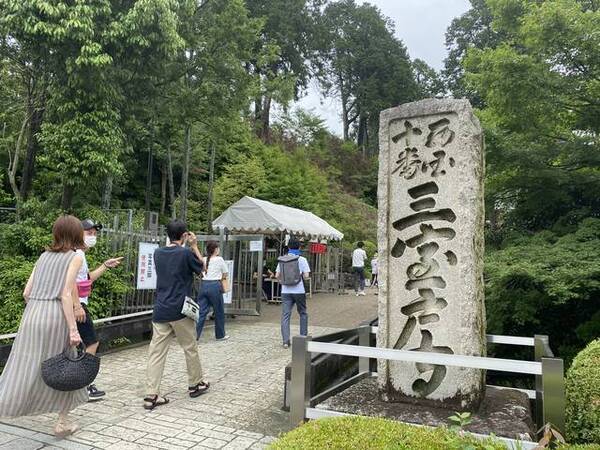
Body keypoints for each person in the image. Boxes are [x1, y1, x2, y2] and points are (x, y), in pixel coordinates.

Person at [0, 215, 87, 437]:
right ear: (76, 233)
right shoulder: (75, 257)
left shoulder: (43, 256)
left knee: (22, 366)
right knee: (66, 367)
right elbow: (65, 294)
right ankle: (62, 422)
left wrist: (38, 308)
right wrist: (73, 329)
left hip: (32, 314)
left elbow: (26, 293)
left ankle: (6, 404)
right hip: (55, 315)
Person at [144, 220, 209, 410]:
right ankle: (195, 383)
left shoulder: (158, 253)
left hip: (161, 309)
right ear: (184, 235)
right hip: (181, 309)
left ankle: (151, 394)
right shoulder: (186, 253)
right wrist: (195, 245)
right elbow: (202, 268)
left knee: (156, 353)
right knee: (190, 346)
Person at [75, 219, 123, 401]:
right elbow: (70, 283)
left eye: (95, 234)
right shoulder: (77, 254)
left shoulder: (79, 254)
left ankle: (75, 383)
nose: (92, 237)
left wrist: (105, 265)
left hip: (77, 305)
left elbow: (86, 279)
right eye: (89, 233)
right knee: (91, 343)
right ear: (78, 233)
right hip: (77, 306)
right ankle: (85, 385)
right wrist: (77, 305)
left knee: (76, 345)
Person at [276, 239, 310, 349]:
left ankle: (285, 341)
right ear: (299, 247)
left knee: (285, 315)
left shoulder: (282, 259)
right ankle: (303, 338)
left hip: (285, 291)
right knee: (303, 313)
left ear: (288, 247)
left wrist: (282, 281)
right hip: (299, 291)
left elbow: (277, 275)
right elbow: (306, 276)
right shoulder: (302, 259)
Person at [196, 240, 230, 341]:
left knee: (201, 312)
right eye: (218, 248)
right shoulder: (219, 259)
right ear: (215, 249)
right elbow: (225, 273)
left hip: (204, 285)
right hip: (215, 285)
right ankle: (220, 335)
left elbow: (201, 272)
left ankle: (195, 335)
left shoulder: (203, 259)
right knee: (218, 311)